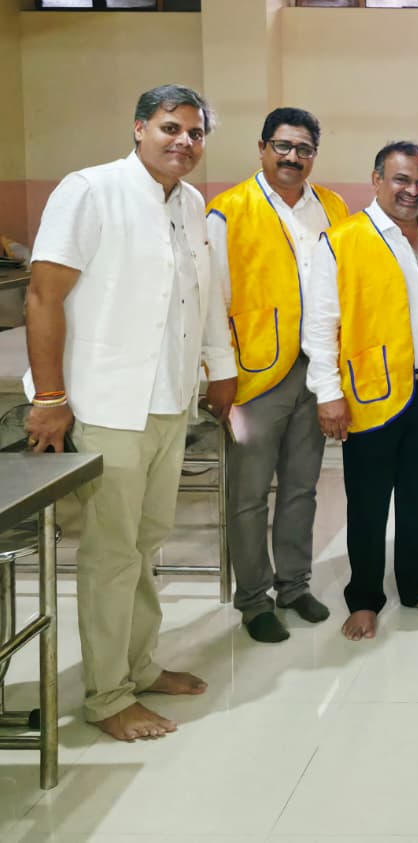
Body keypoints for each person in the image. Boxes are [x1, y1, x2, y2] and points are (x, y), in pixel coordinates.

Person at [23, 84, 236, 741]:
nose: (184, 142)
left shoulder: (192, 204)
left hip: (170, 401)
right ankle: (107, 695)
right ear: (139, 127)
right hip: (109, 403)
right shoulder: (89, 191)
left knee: (147, 544)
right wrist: (51, 397)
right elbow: (42, 296)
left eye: (196, 133)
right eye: (171, 127)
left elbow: (197, 300)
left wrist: (216, 371)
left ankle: (139, 663)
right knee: (112, 553)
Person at [302, 141, 418, 642]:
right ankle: (365, 597)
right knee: (368, 502)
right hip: (370, 391)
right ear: (376, 180)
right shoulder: (342, 240)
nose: (412, 191)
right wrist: (328, 393)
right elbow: (321, 324)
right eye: (401, 180)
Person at [207, 107, 349, 643]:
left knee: (301, 487)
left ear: (314, 154)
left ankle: (294, 585)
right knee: (247, 494)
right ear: (263, 148)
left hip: (315, 372)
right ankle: (253, 600)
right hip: (251, 380)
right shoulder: (228, 211)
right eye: (283, 146)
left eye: (304, 149)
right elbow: (212, 302)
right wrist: (219, 375)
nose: (293, 157)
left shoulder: (332, 208)